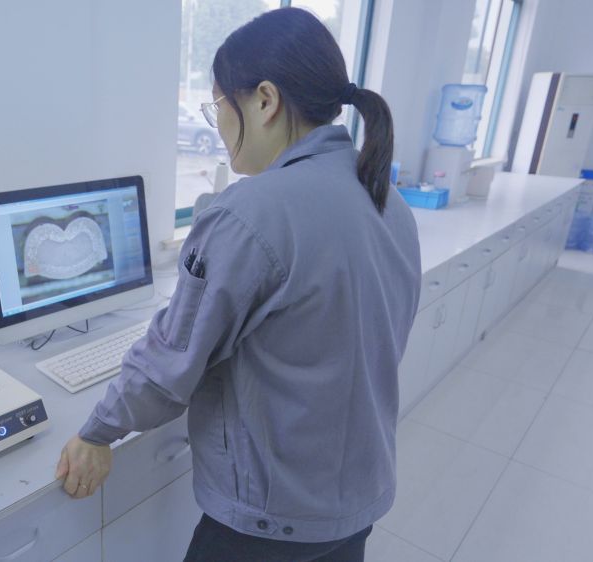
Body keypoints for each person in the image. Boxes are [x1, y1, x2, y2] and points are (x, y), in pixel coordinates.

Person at [55, 7, 421, 561]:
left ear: (265, 100)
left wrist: (96, 432)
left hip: (270, 524)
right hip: (356, 504)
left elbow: (168, 368)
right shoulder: (386, 198)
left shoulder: (249, 214)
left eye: (219, 106)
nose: (218, 126)